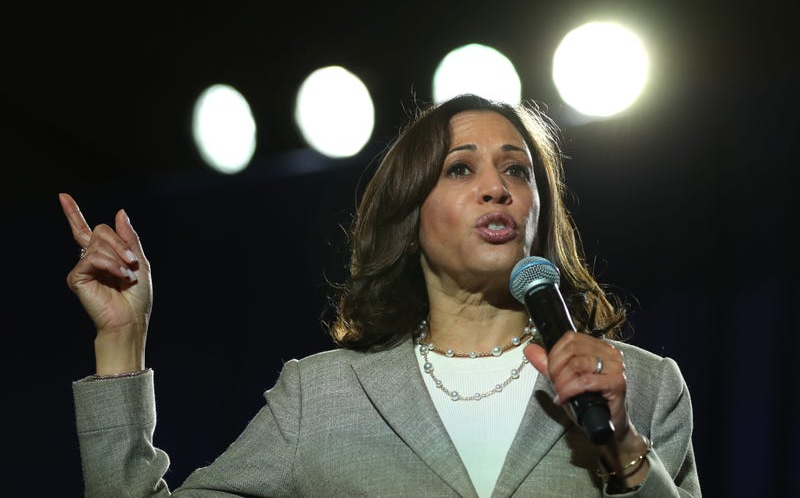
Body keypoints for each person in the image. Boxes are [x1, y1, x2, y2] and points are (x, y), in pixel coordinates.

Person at [61, 93, 701, 497]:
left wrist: (620, 446)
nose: (496, 188)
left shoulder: (643, 387)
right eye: (459, 168)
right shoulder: (325, 398)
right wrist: (121, 340)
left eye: (516, 170)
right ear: (411, 217)